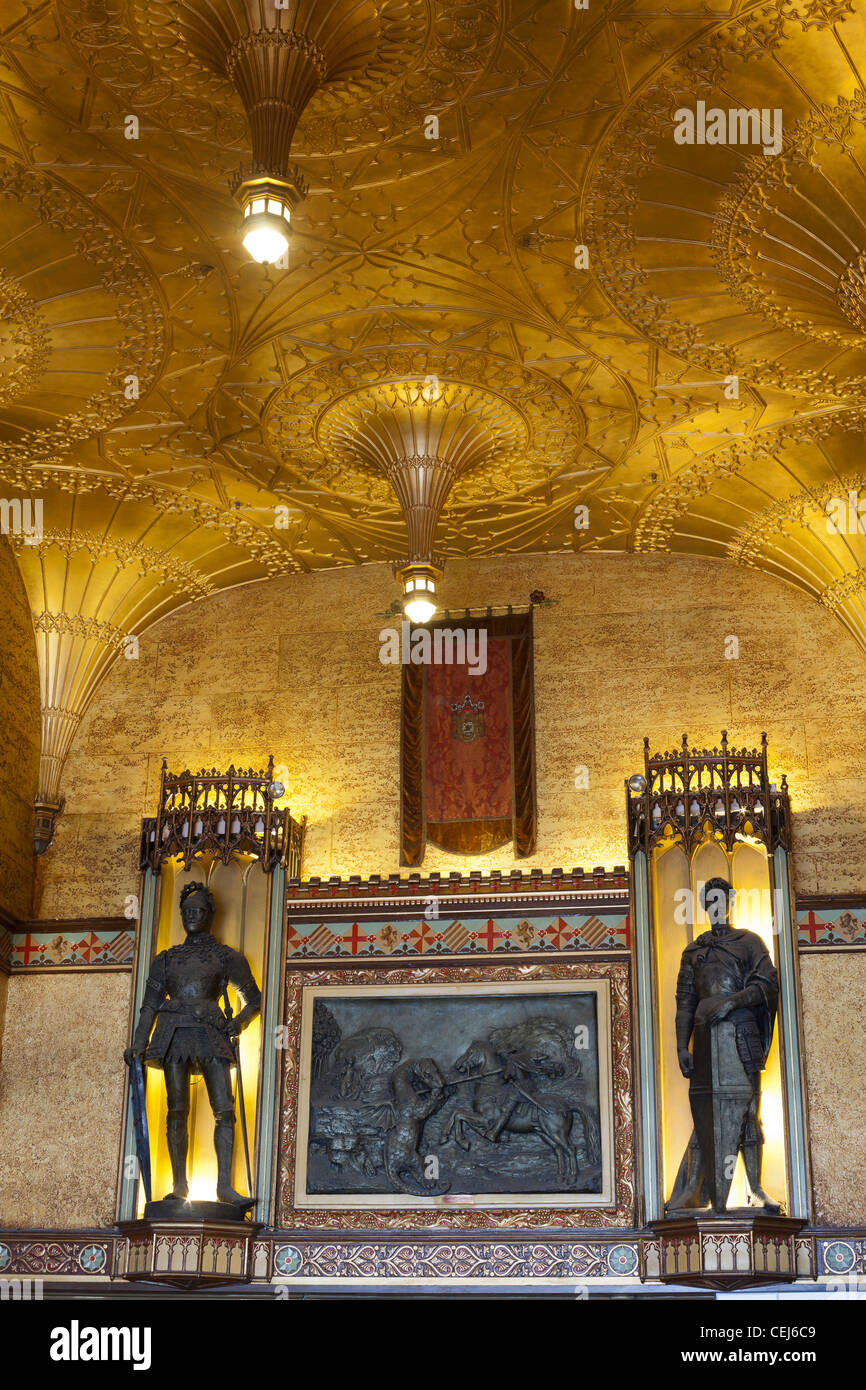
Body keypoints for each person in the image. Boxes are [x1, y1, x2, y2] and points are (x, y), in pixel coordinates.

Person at [124, 881, 261, 1208]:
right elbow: (150, 1005)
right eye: (187, 911)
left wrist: (238, 1022)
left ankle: (224, 1187)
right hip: (172, 1031)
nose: (192, 916)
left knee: (224, 1109)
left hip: (210, 1030)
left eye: (198, 910)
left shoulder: (226, 957)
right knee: (176, 1110)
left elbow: (253, 1000)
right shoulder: (167, 960)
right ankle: (180, 1185)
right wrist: (138, 1043)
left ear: (210, 913)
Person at [667, 875, 780, 1214]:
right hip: (704, 1039)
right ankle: (693, 1190)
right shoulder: (694, 951)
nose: (717, 907)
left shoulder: (749, 943)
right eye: (710, 901)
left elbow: (766, 984)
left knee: (748, 1112)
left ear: (730, 903)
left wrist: (730, 1003)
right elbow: (685, 1002)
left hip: (741, 1034)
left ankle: (757, 1188)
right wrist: (680, 1048)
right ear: (704, 906)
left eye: (722, 900)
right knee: (705, 1115)